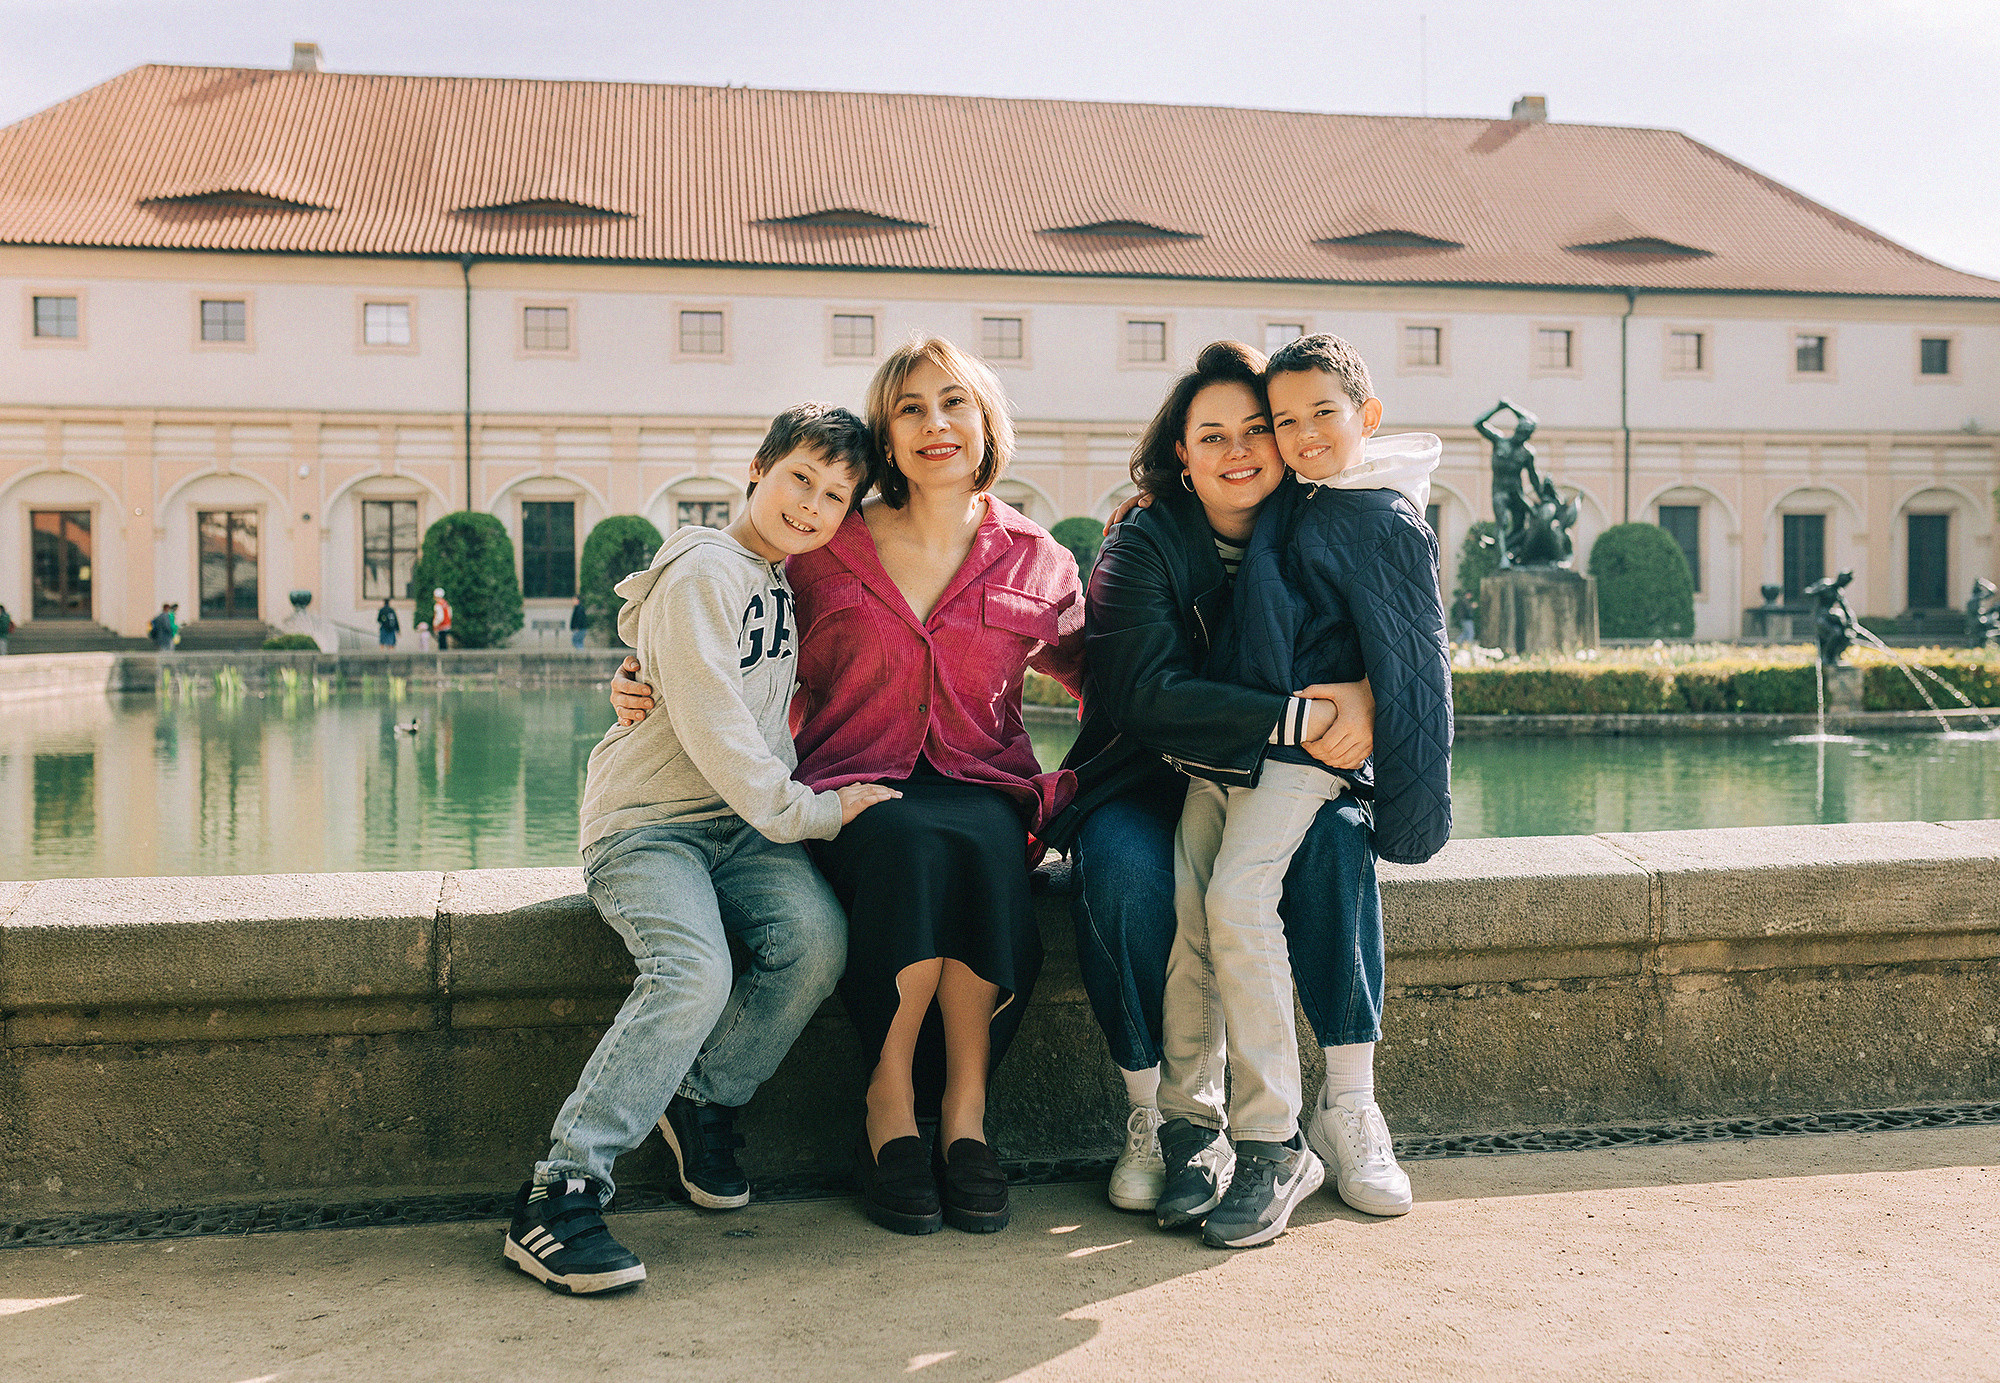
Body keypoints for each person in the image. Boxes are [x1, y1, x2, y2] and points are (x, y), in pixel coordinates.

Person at [614, 336, 1085, 1237]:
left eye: (953, 402)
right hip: (851, 784)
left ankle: (966, 1116)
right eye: (909, 407)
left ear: (986, 421)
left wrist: (1091, 790)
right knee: (907, 842)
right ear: (886, 431)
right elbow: (710, 614)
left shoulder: (1035, 557)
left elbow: (1106, 678)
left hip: (982, 779)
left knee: (987, 842)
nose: (934, 423)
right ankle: (890, 1100)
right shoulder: (828, 543)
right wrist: (637, 670)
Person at [504, 403, 897, 1296]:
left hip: (738, 829)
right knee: (691, 973)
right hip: (647, 827)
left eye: (836, 496)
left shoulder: (772, 577)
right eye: (801, 478)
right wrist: (820, 814)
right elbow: (721, 730)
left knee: (817, 942)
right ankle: (558, 1189)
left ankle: (704, 1092)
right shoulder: (705, 570)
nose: (813, 505)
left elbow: (749, 704)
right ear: (758, 468)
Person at [1042, 340, 1378, 1226]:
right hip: (1141, 775)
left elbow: (1399, 630)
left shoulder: (1322, 520)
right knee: (1123, 870)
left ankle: (1347, 1102)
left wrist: (1366, 700)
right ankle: (1160, 1117)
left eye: (1257, 429)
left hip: (1269, 775)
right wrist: (1301, 715)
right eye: (1212, 434)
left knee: (1339, 844)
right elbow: (1145, 695)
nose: (1239, 450)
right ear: (1180, 455)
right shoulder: (1142, 540)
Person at [1165, 333, 1451, 1248]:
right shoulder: (1298, 494)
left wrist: (1410, 812)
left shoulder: (1384, 518)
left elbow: (1419, 666)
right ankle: (1186, 1122)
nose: (1299, 434)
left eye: (1322, 413)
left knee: (1238, 897)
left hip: (1309, 746)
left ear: (1368, 415)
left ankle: (1274, 1138)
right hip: (1251, 740)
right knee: (1194, 903)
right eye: (1284, 420)